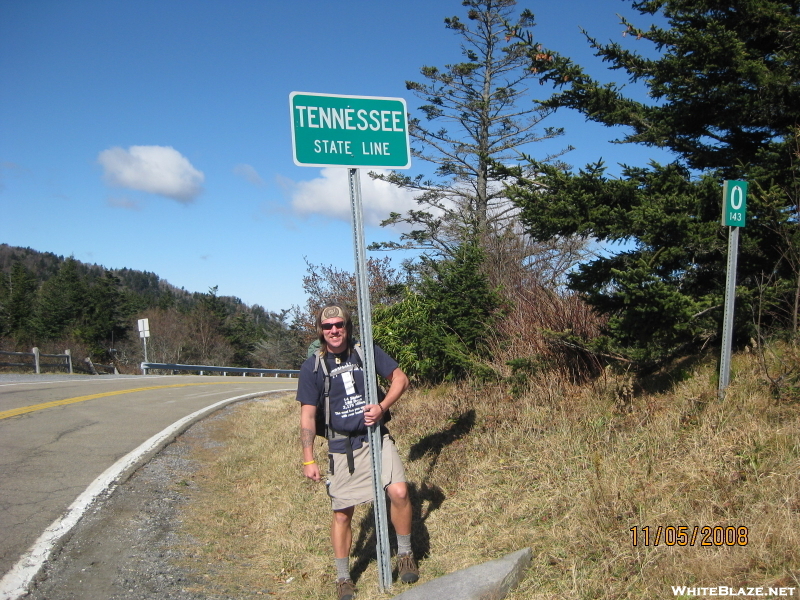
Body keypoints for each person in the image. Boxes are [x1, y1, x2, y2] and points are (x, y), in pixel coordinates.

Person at [297, 304, 418, 600]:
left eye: (339, 325)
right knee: (342, 514)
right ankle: (343, 577)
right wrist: (309, 457)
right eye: (327, 327)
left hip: (376, 437)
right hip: (341, 447)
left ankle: (404, 554)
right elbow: (308, 416)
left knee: (400, 492)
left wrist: (381, 407)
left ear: (348, 327)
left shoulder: (365, 352)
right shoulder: (312, 367)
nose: (334, 331)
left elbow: (400, 379)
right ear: (320, 331)